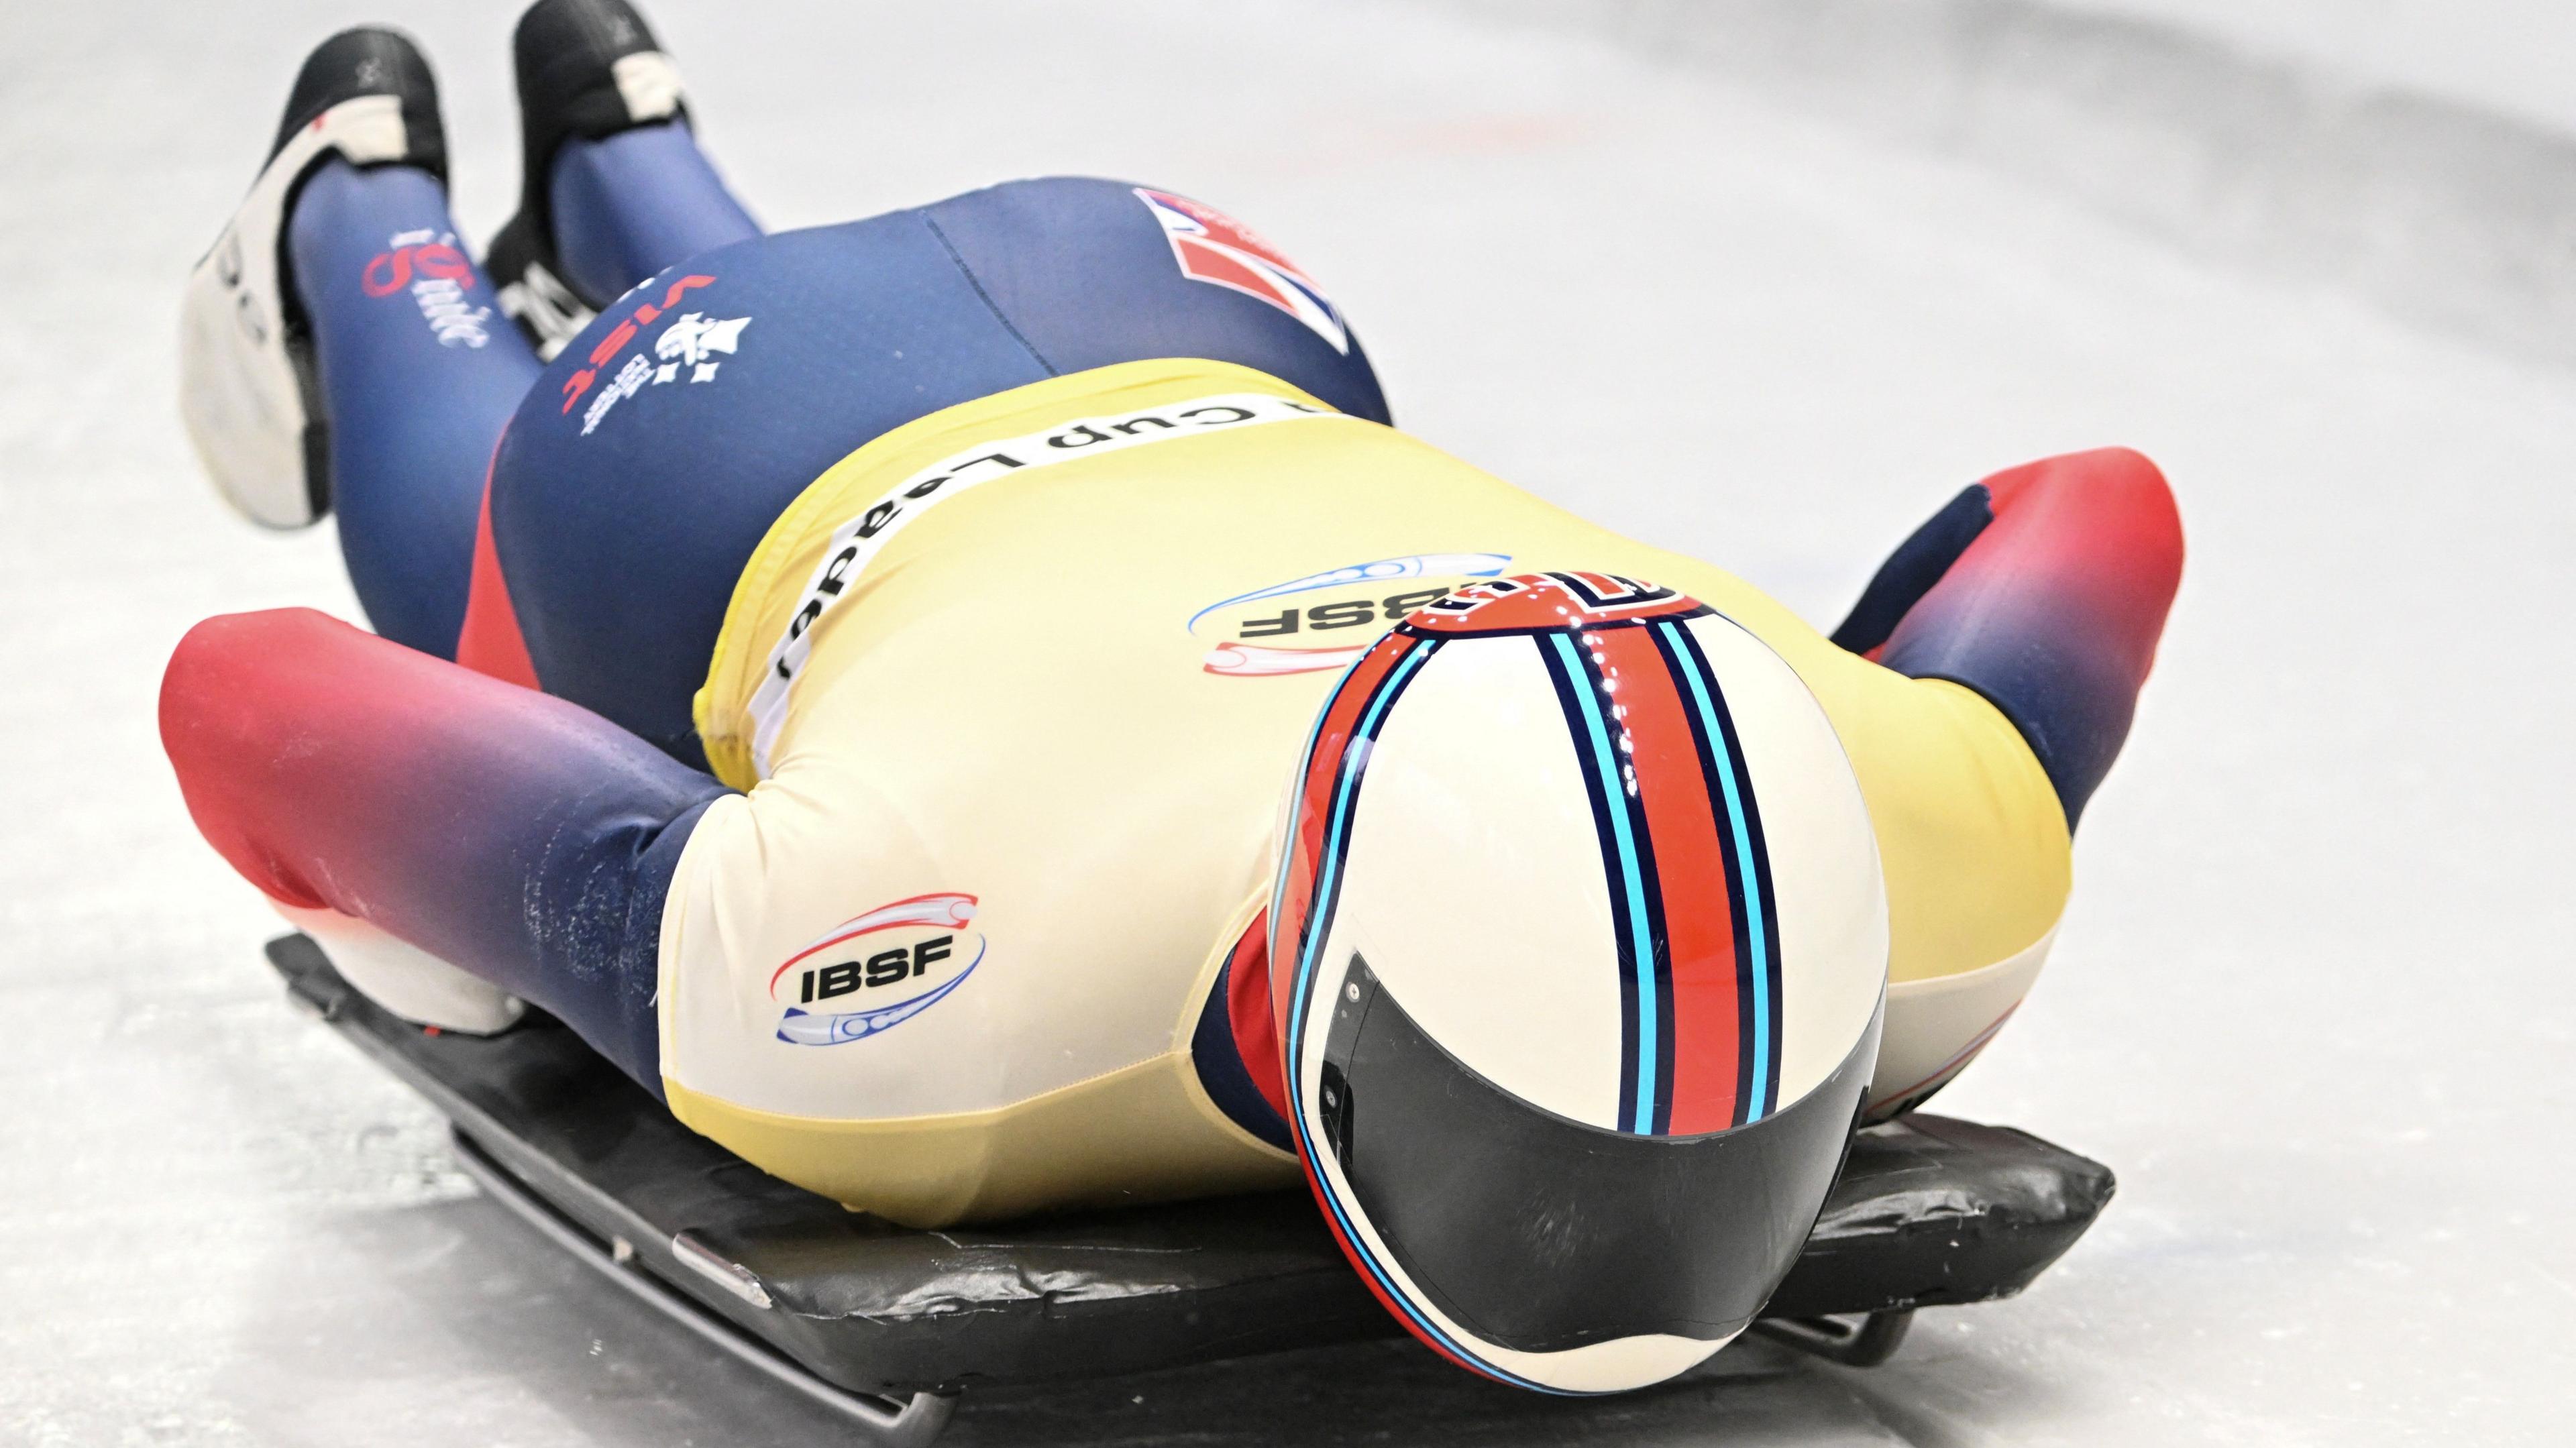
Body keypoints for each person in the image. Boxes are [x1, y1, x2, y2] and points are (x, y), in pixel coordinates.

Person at [161, 0, 2183, 1394]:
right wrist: (512, 938)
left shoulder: (1934, 850)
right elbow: (258, 693)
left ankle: (622, 140)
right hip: (753, 449)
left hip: (1165, 294)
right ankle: (364, 205)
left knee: (794, 367)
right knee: (478, 579)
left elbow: (2091, 518)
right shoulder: (913, 1009)